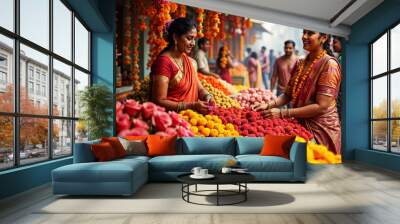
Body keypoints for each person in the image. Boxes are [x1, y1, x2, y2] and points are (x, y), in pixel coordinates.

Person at [254, 30, 342, 155]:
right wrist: (268, 105)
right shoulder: (300, 63)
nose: (304, 37)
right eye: (304, 32)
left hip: (321, 131)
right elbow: (288, 94)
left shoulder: (329, 65)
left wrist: (283, 113)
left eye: (310, 33)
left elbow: (322, 106)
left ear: (323, 38)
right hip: (299, 125)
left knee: (318, 171)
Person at [150, 18, 215, 114]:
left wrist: (208, 97)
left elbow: (199, 88)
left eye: (194, 39)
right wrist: (191, 106)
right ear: (175, 37)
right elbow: (159, 101)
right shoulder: (163, 63)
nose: (193, 43)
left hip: (193, 120)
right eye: (189, 38)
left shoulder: (191, 62)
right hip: (172, 122)